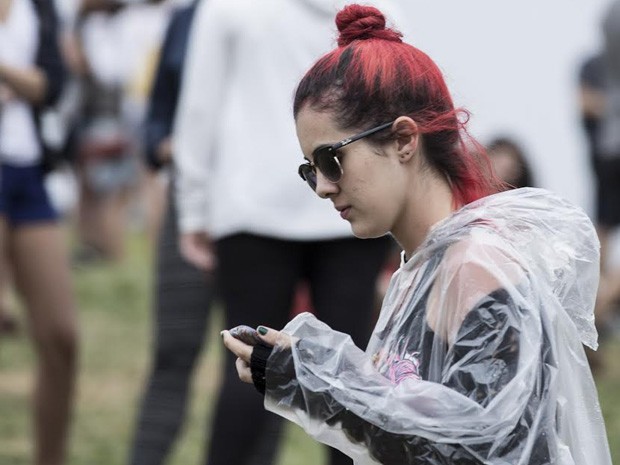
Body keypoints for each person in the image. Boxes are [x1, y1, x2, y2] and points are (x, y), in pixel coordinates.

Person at [222, 4, 613, 465]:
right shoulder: (423, 269)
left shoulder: (477, 267)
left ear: (405, 139)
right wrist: (308, 373)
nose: (324, 187)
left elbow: (483, 449)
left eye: (331, 160)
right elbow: (417, 433)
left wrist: (317, 379)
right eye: (311, 170)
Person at [173, 0, 399, 463]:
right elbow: (397, 98)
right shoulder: (376, 7)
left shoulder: (227, 8)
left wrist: (193, 209)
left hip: (249, 206)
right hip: (352, 200)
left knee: (246, 362)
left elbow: (199, 107)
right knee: (351, 377)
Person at [127, 3, 218, 464]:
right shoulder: (187, 18)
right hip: (190, 197)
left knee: (260, 362)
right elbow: (157, 113)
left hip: (265, 212)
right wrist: (162, 143)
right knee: (173, 352)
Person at [0, 1, 79, 464]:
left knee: (61, 337)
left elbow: (51, 85)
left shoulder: (40, 8)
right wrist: (20, 79)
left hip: (28, 170)